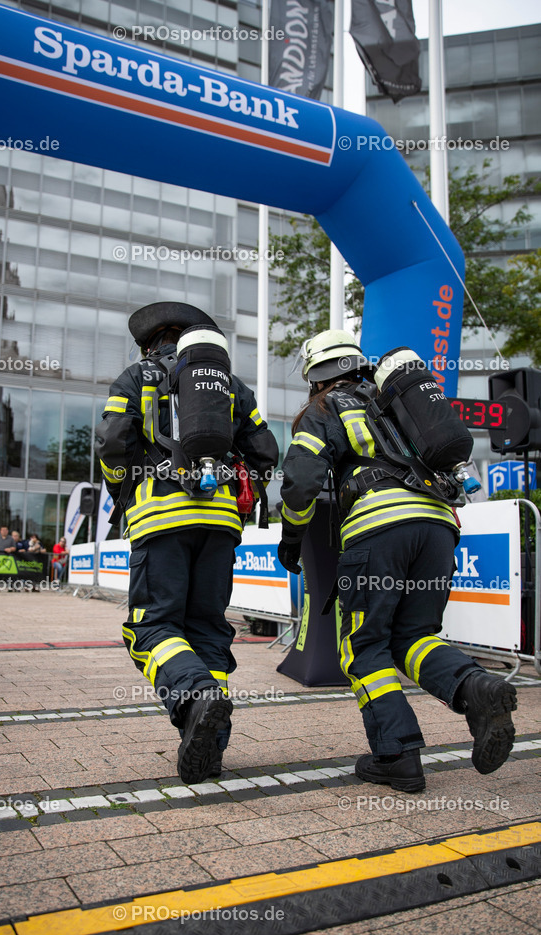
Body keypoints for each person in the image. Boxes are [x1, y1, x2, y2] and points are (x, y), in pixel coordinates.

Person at [278, 329, 517, 793]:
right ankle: (477, 688)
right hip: (438, 527)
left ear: (316, 376)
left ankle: (397, 755)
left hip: (379, 528)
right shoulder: (395, 402)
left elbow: (301, 478)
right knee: (414, 636)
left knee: (363, 647)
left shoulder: (323, 409)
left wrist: (292, 536)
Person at [95, 301, 278, 784]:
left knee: (151, 628)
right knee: (208, 629)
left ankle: (197, 697)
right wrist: (242, 495)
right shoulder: (231, 386)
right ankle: (209, 747)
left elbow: (113, 441)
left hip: (159, 515)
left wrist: (123, 488)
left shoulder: (136, 377)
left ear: (151, 342)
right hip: (220, 523)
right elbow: (265, 453)